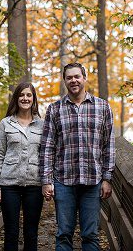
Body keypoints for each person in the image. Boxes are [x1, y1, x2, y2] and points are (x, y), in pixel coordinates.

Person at [40, 63, 115, 251]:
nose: (73, 80)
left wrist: (107, 178)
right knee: (64, 234)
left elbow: (108, 145)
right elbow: (48, 146)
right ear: (65, 81)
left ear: (84, 78)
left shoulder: (102, 107)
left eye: (77, 76)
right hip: (64, 181)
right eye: (69, 77)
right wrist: (46, 181)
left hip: (93, 180)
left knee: (90, 235)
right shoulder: (54, 109)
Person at [0, 81, 44, 251]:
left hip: (34, 184)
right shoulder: (5, 124)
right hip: (9, 184)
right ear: (16, 98)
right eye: (21, 95)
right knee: (11, 232)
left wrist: (47, 182)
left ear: (33, 99)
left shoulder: (42, 125)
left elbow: (46, 155)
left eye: (29, 95)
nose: (25, 98)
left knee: (31, 233)